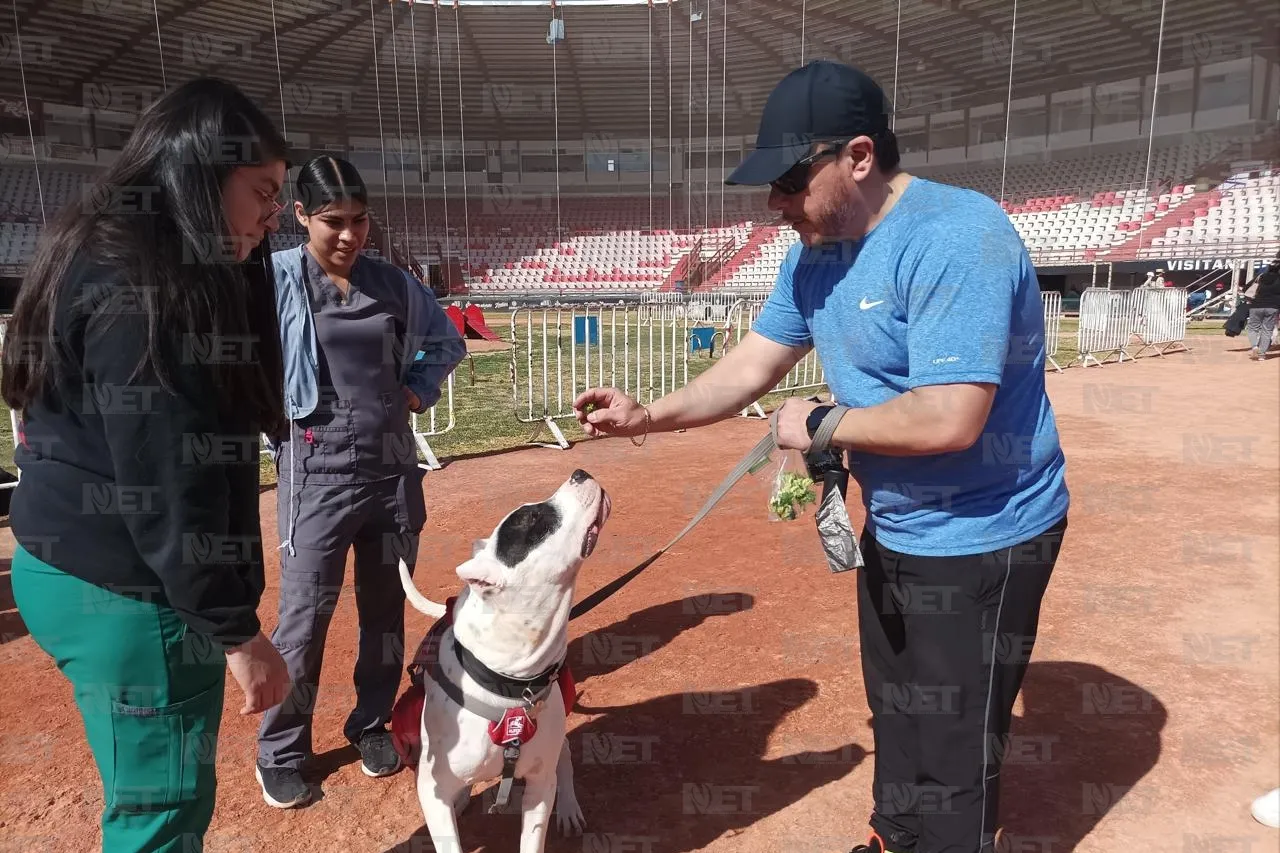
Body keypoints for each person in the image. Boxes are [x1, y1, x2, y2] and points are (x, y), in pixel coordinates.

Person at [574, 60, 1069, 853]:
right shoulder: (814, 254)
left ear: (860, 157)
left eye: (790, 179)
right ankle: (895, 837)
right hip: (900, 524)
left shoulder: (957, 237)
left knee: (953, 740)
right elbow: (751, 366)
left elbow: (952, 418)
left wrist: (822, 422)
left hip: (986, 534)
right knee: (899, 704)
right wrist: (650, 414)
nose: (775, 203)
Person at [1, 77, 292, 853]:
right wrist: (238, 635)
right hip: (132, 595)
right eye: (262, 191)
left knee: (153, 797)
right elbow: (171, 484)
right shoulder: (152, 285)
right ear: (203, 173)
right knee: (160, 814)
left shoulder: (97, 242)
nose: (273, 215)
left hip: (67, 563)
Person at [253, 156, 466, 808]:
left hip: (391, 471)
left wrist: (417, 389)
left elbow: (444, 341)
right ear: (300, 218)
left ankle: (371, 721)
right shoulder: (273, 281)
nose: (349, 235)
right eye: (333, 222)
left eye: (360, 220)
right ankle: (282, 750)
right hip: (314, 475)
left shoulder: (394, 286)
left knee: (384, 612)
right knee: (303, 618)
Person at [1243, 256, 1280, 360]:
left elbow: (1246, 288)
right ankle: (1262, 355)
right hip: (1272, 307)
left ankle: (1255, 346)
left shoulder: (1260, 277)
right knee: (1267, 330)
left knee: (1253, 328)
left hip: (1256, 305)